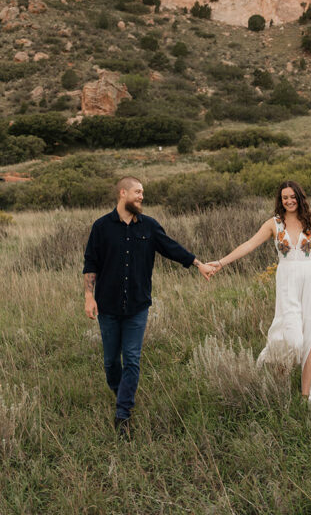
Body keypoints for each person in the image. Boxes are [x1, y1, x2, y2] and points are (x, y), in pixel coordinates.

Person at [83, 176, 215, 437]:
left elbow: (172, 248)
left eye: (143, 192)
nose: (142, 196)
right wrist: (89, 296)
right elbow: (91, 263)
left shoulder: (150, 227)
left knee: (132, 359)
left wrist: (199, 264)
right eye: (137, 192)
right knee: (111, 362)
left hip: (138, 306)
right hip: (107, 306)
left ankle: (123, 414)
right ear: (123, 193)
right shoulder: (101, 227)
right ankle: (121, 391)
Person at [210, 180, 311, 405]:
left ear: (300, 197)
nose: (289, 201)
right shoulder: (274, 224)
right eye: (284, 197)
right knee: (292, 339)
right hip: (287, 282)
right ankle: (279, 379)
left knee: (310, 339)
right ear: (280, 200)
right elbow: (249, 244)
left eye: (292, 196)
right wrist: (221, 263)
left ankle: (306, 397)